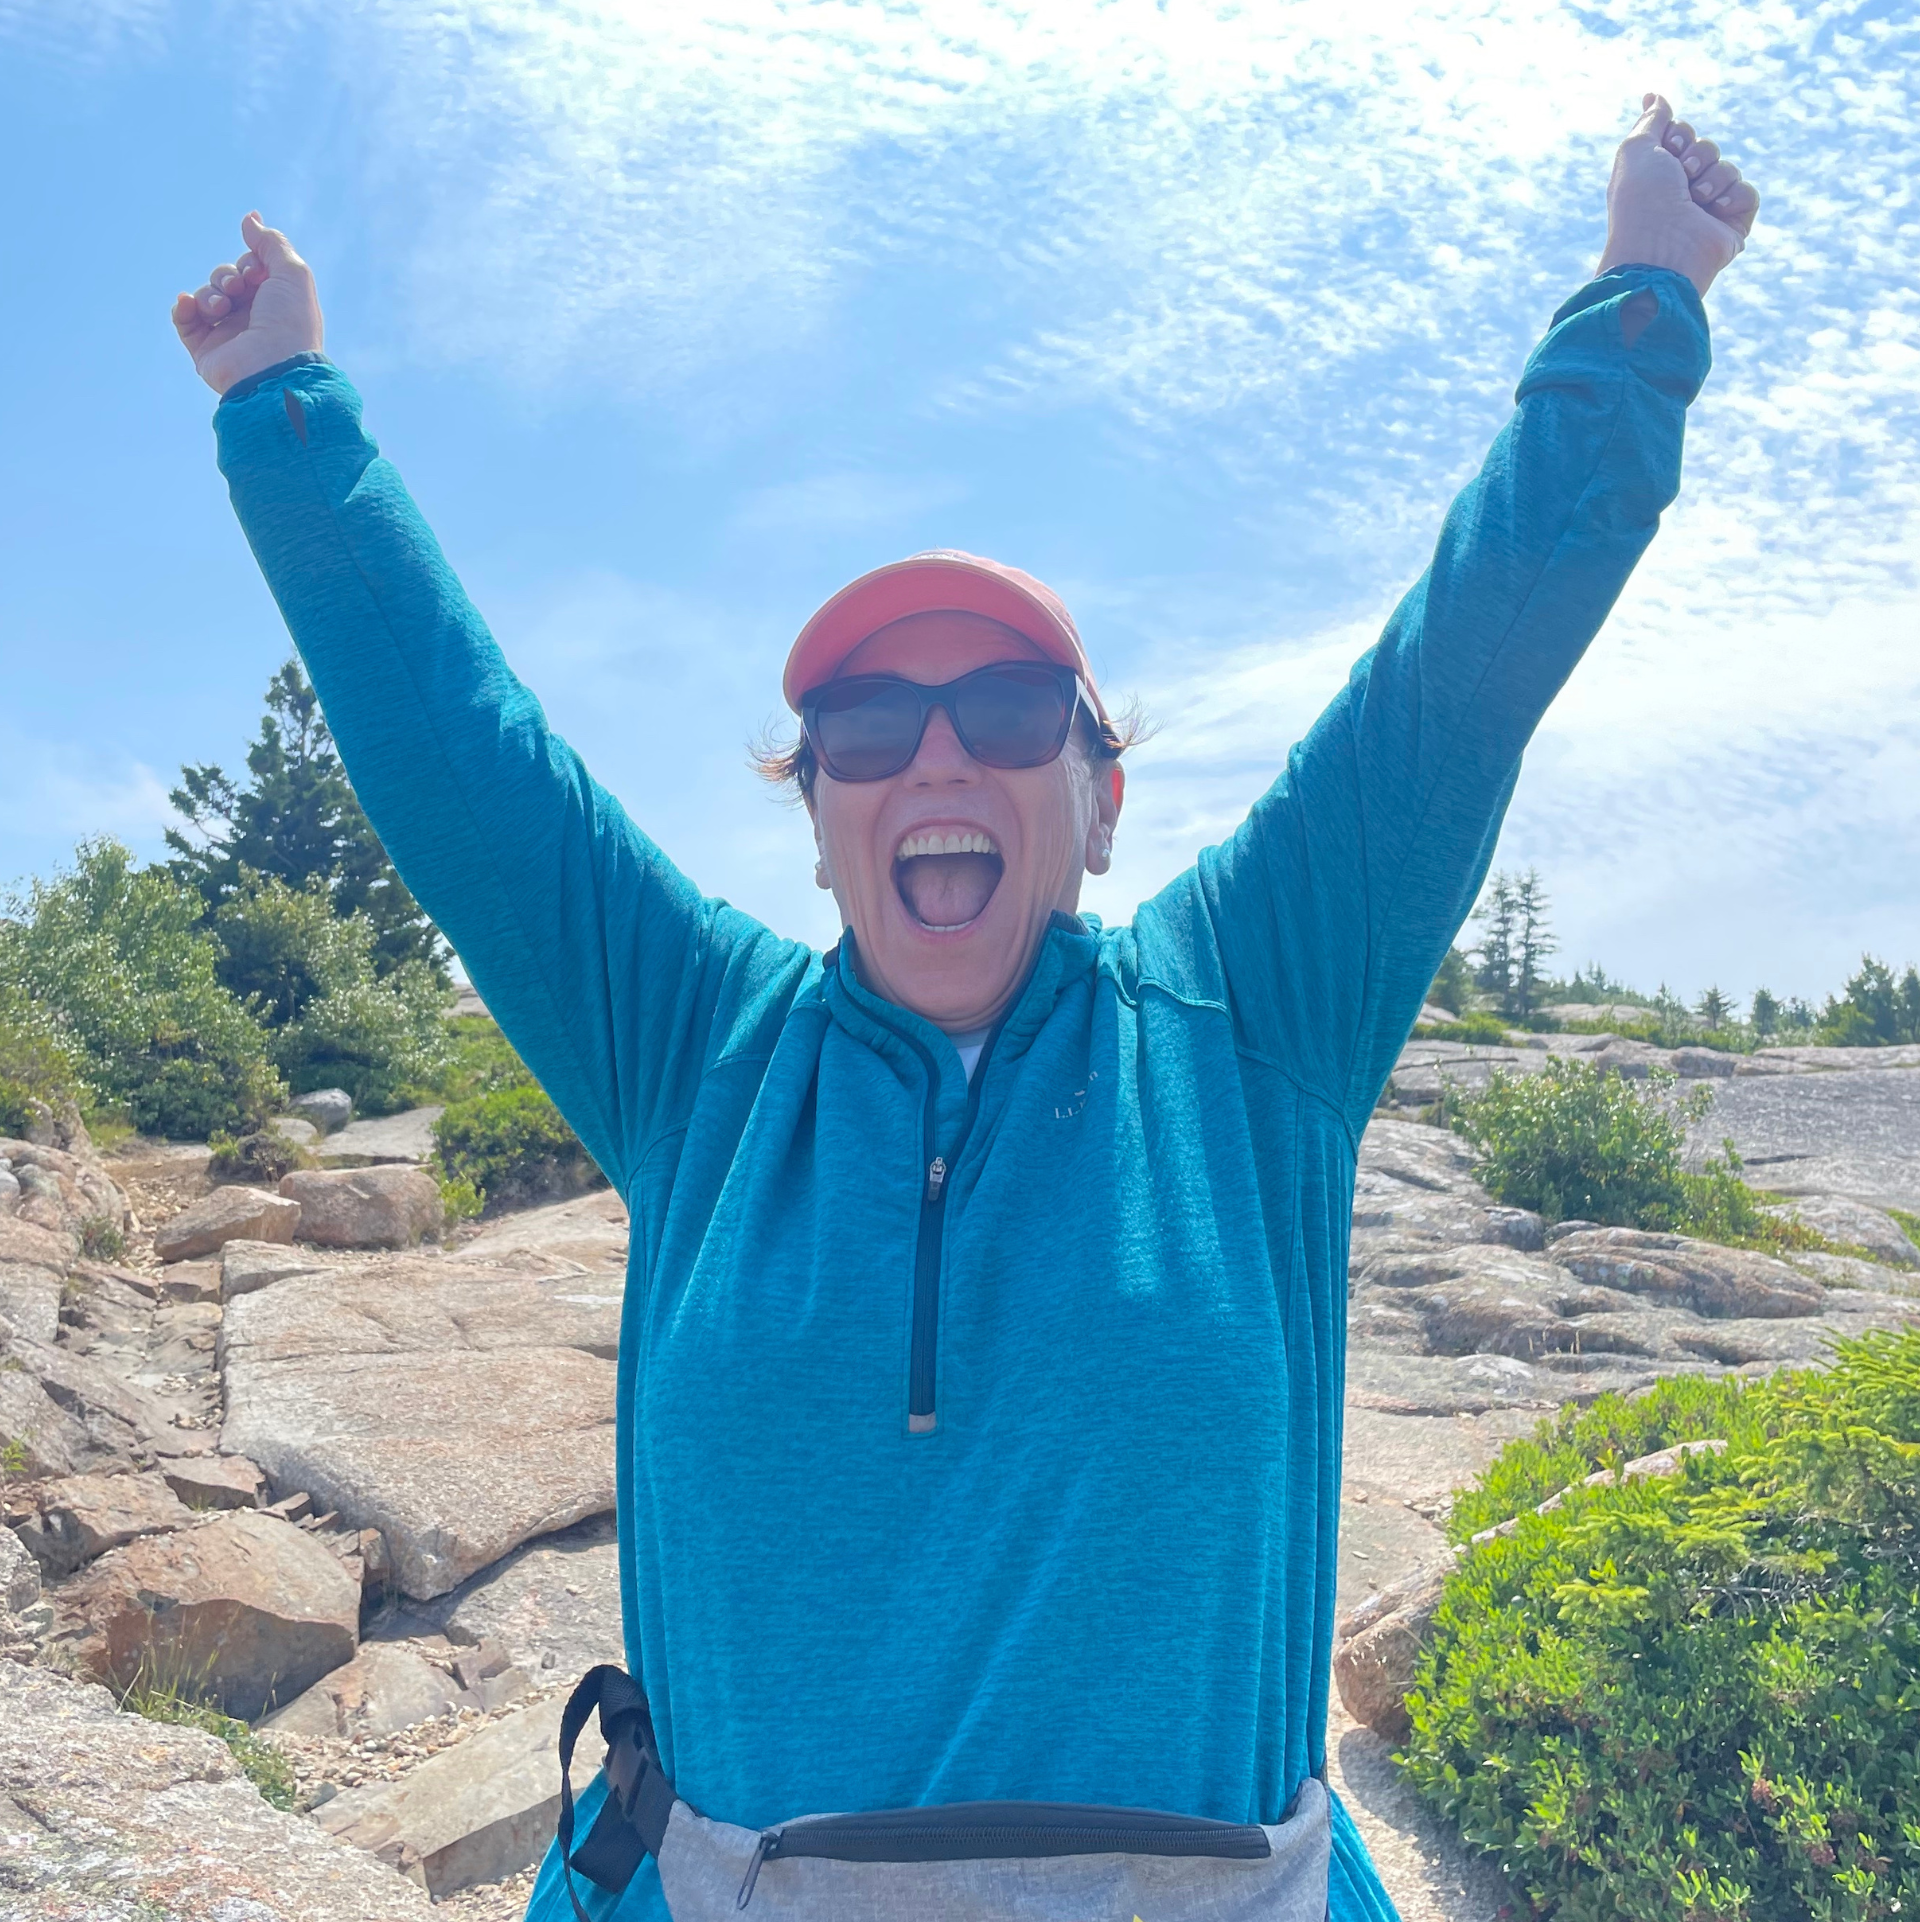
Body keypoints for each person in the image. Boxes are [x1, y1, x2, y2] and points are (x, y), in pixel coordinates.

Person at [173, 93, 1757, 1920]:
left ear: (1099, 803)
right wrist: (287, 418)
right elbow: (475, 770)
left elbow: (1460, 675)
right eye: (867, 728)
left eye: (1008, 713)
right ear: (822, 819)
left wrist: (1641, 299)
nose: (935, 755)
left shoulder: (1255, 1016)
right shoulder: (697, 1046)